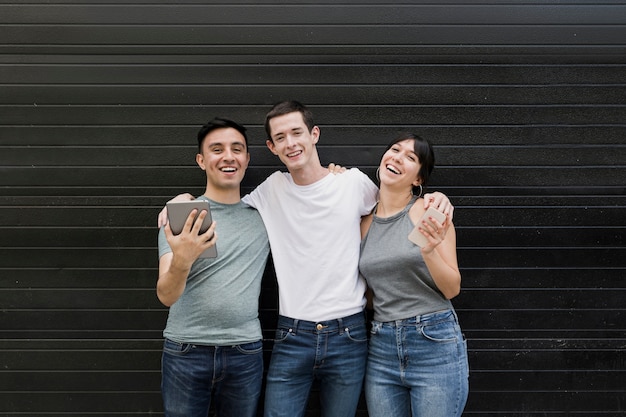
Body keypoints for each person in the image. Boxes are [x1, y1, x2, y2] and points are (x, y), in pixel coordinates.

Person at [157, 101, 454, 417]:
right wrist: (182, 201)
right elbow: (227, 204)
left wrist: (435, 197)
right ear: (272, 147)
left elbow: (395, 203)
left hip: (349, 334)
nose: (291, 143)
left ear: (314, 134)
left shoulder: (353, 183)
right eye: (281, 137)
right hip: (291, 335)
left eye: (297, 132)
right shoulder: (271, 189)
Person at [156, 117, 270, 417]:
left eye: (237, 149)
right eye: (217, 149)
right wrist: (184, 257)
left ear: (247, 158)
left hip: (245, 352)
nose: (228, 156)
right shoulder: (182, 216)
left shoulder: (266, 215)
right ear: (201, 160)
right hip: (185, 351)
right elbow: (166, 295)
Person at [358, 132, 469, 417]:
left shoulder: (428, 212)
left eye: (410, 157)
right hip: (381, 345)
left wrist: (429, 251)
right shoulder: (363, 223)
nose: (397, 157)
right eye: (394, 149)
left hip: (433, 340)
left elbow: (452, 288)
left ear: (418, 179)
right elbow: (371, 294)